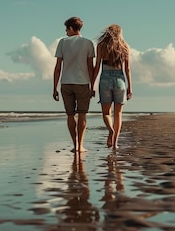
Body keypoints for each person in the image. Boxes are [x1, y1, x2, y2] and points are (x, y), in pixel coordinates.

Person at [53, 16, 95, 153]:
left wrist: (54, 87)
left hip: (66, 83)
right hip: (83, 83)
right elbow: (91, 67)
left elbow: (58, 67)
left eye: (67, 29)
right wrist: (92, 86)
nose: (66, 32)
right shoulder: (88, 43)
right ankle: (80, 145)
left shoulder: (62, 42)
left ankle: (75, 144)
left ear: (71, 28)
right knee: (82, 114)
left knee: (70, 115)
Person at [91, 24, 132, 149]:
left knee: (106, 113)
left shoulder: (101, 46)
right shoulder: (125, 46)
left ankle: (110, 130)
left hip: (105, 79)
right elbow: (127, 69)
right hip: (120, 79)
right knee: (118, 114)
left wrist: (92, 85)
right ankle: (115, 143)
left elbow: (97, 66)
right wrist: (130, 87)